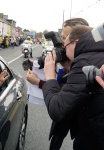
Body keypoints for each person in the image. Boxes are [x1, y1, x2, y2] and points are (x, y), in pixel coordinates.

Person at [26, 18, 90, 150]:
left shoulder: (85, 63)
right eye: (61, 38)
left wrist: (40, 82)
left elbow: (65, 95)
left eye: (65, 38)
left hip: (84, 124)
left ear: (77, 40)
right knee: (57, 137)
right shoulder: (74, 57)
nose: (62, 44)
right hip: (77, 115)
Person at [43, 25, 104, 149]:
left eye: (65, 46)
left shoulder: (84, 61)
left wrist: (49, 76)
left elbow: (58, 109)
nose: (63, 51)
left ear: (75, 43)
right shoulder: (97, 54)